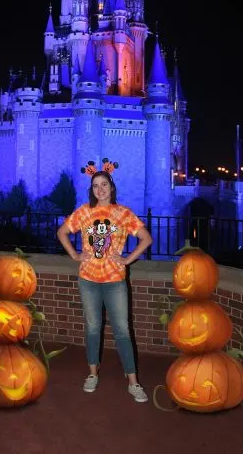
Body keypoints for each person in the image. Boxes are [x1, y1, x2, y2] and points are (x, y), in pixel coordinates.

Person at [57, 164, 153, 403]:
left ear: (111, 187)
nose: (100, 189)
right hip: (88, 279)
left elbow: (146, 238)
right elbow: (62, 232)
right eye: (95, 186)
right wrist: (76, 255)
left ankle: (133, 382)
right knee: (92, 328)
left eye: (104, 185)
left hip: (114, 280)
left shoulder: (123, 213)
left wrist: (127, 260)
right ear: (92, 190)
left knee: (122, 330)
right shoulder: (83, 212)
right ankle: (92, 374)